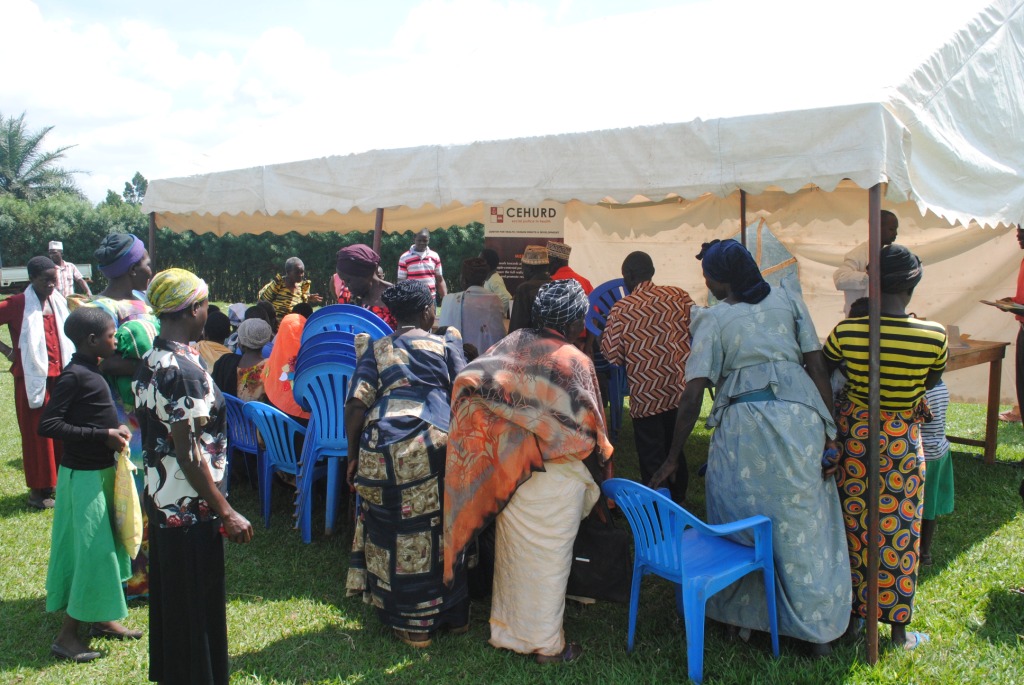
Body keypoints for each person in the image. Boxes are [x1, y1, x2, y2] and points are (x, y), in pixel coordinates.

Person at [650, 239, 849, 654]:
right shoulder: (789, 300)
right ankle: (815, 629)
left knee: (743, 519)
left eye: (707, 273)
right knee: (803, 522)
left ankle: (750, 620)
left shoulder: (714, 319)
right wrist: (830, 432)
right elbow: (817, 367)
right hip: (802, 419)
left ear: (721, 281)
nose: (704, 280)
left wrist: (673, 456)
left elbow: (693, 392)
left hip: (746, 425)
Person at [444, 279, 614, 664]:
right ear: (573, 321)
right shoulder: (575, 360)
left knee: (516, 557)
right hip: (558, 475)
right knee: (549, 562)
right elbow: (594, 426)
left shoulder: (512, 343)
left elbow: (470, 378)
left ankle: (506, 630)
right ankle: (547, 647)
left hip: (512, 471)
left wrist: (508, 426)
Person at [823, 243, 947, 650]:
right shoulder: (934, 336)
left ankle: (854, 622)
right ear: (913, 286)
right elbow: (928, 385)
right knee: (899, 533)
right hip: (900, 443)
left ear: (871, 283)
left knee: (853, 528)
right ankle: (896, 631)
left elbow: (823, 375)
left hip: (855, 439)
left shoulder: (847, 332)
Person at [133, 268, 253, 685]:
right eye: (205, 304)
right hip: (189, 506)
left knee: (175, 599)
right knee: (197, 603)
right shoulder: (181, 369)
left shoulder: (154, 357)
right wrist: (226, 512)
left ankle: (176, 673)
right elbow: (187, 451)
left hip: (165, 501)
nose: (209, 312)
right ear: (193, 309)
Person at [344, 280, 469, 648]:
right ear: (429, 312)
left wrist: (353, 455)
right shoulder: (444, 343)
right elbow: (465, 386)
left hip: (383, 446)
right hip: (435, 444)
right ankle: (455, 616)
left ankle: (415, 627)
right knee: (441, 527)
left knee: (394, 530)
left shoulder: (377, 348)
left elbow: (355, 406)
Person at [38, 307, 138, 663]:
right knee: (93, 555)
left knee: (108, 547)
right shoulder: (74, 376)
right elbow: (48, 426)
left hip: (101, 471)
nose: (117, 340)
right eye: (112, 335)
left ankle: (103, 618)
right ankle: (67, 637)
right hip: (83, 478)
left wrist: (115, 432)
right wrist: (103, 434)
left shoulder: (92, 370)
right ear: (93, 340)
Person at [86, 232, 157, 599]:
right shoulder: (99, 309)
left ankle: (146, 574)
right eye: (145, 262)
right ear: (131, 269)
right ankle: (129, 580)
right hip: (120, 419)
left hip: (147, 416)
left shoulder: (140, 300)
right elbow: (100, 360)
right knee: (125, 497)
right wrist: (150, 364)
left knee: (147, 496)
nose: (150, 268)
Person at [600, 251, 694, 503]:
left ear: (629, 276)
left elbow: (612, 356)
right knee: (676, 447)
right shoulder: (679, 296)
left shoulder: (621, 309)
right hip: (681, 392)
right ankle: (680, 499)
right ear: (651, 271)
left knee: (652, 455)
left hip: (647, 398)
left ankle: (658, 506)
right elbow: (699, 331)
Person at [0, 256, 74, 509]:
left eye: (54, 280)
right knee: (37, 436)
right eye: (46, 281)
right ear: (31, 279)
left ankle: (58, 485)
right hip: (33, 379)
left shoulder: (59, 302)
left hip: (61, 378)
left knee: (62, 432)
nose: (52, 286)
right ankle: (38, 491)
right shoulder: (18, 303)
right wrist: (9, 351)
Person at [833, 209, 899, 314]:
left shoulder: (888, 254)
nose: (896, 233)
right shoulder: (858, 254)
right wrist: (869, 277)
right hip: (859, 322)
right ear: (877, 228)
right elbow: (839, 279)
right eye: (892, 229)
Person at [438, 257, 507, 354]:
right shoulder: (494, 301)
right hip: (485, 361)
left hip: (455, 361)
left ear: (463, 279)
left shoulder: (449, 300)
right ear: (484, 280)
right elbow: (499, 337)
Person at [919, 380, 954, 567]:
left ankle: (921, 550)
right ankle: (925, 552)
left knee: (920, 505)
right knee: (930, 507)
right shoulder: (941, 386)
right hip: (940, 449)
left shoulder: (921, 391)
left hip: (925, 454)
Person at [211, 318, 273, 402]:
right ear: (265, 341)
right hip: (255, 414)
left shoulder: (225, 362)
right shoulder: (270, 367)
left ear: (240, 342)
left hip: (229, 413)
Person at [336, 244, 397, 329]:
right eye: (343, 280)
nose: (345, 285)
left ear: (366, 275)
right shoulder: (347, 295)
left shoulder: (396, 297)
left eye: (348, 281)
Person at [258, 257, 323, 322]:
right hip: (276, 329)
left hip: (294, 327)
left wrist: (308, 298)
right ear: (288, 272)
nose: (301, 275)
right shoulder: (277, 284)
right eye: (297, 272)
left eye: (302, 272)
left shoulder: (303, 287)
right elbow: (262, 302)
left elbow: (301, 308)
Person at [508, 245, 551, 333]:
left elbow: (517, 327)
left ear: (530, 269)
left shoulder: (525, 289)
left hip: (531, 344)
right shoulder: (555, 285)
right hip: (554, 343)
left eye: (523, 267)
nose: (522, 271)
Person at [397, 229, 447, 302]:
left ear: (429, 240)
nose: (422, 243)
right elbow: (401, 281)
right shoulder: (405, 257)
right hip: (412, 299)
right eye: (419, 240)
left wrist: (445, 298)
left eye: (425, 241)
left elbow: (440, 279)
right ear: (414, 238)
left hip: (430, 298)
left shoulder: (434, 256)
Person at [480, 248, 512, 315]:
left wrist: (495, 314)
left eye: (480, 261)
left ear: (487, 265)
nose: (478, 264)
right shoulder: (489, 279)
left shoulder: (494, 280)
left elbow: (507, 299)